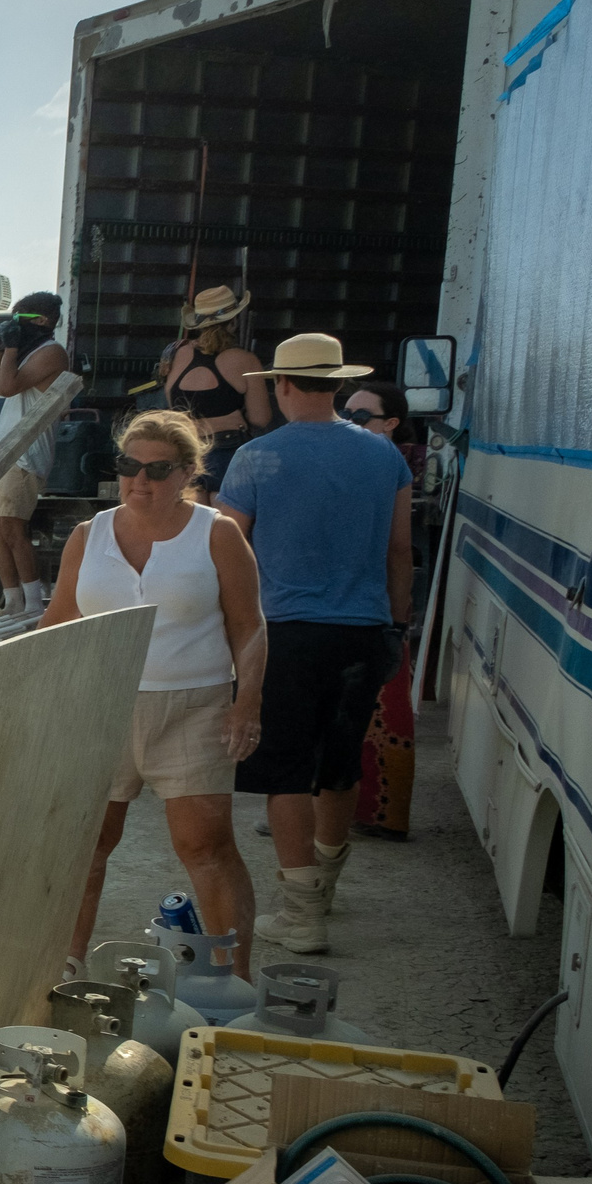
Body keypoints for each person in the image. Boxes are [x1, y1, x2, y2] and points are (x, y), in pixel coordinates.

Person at [41, 410, 267, 977]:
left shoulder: (217, 533)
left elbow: (250, 626)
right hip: (101, 706)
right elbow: (58, 622)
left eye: (157, 470)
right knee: (86, 846)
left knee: (205, 847)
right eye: (128, 466)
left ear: (189, 471)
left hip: (193, 705)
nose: (139, 481)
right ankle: (63, 965)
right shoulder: (87, 535)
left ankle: (231, 982)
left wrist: (248, 701)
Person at [216, 334, 415, 954]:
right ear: (335, 384)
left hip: (287, 634)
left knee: (286, 773)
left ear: (282, 385)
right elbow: (401, 550)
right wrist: (397, 626)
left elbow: (226, 551)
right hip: (365, 630)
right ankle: (324, 884)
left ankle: (302, 913)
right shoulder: (386, 458)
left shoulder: (256, 458)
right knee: (339, 760)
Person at [341, 379, 420, 840]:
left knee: (377, 712)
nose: (348, 422)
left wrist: (397, 615)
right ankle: (372, 812)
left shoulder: (385, 464)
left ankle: (378, 812)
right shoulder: (387, 463)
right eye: (345, 412)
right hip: (372, 602)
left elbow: (399, 549)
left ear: (390, 423)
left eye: (359, 416)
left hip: (371, 602)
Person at [0, 291, 69, 617]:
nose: (13, 325)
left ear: (43, 322)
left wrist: (12, 348)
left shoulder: (52, 352)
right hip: (2, 451)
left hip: (26, 452)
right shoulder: (26, 352)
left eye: (20, 320)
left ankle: (32, 605)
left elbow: (10, 386)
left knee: (14, 528)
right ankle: (12, 600)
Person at [162, 286, 271, 504]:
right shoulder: (245, 359)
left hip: (187, 452)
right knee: (226, 528)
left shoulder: (176, 354)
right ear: (234, 321)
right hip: (229, 452)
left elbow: (172, 408)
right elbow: (261, 418)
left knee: (192, 528)